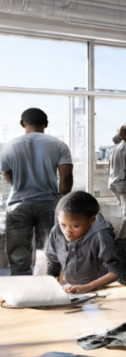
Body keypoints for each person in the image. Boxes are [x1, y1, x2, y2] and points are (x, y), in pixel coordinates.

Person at [1, 108, 73, 276]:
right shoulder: (59, 145)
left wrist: (20, 185)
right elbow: (66, 177)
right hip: (49, 204)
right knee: (48, 253)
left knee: (19, 256)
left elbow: (7, 173)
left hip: (18, 205)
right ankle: (47, 293)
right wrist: (62, 198)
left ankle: (22, 295)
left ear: (22, 123)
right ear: (45, 124)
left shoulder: (9, 146)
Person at [45, 191, 124, 294]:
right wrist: (47, 285)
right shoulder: (56, 231)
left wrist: (88, 287)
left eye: (75, 226)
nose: (67, 231)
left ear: (92, 220)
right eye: (63, 224)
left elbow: (115, 272)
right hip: (77, 290)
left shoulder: (101, 235)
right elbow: (53, 263)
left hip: (103, 289)